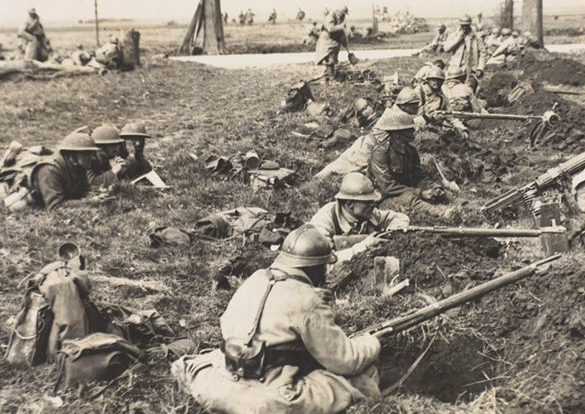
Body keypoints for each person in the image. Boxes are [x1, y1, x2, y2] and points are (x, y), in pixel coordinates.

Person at [172, 225, 381, 413]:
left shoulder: (256, 278)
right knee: (361, 378)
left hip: (219, 380)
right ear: (315, 267)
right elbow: (346, 361)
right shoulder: (309, 299)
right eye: (324, 266)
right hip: (265, 397)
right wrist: (372, 342)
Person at [0, 131, 97, 215]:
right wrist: (90, 202)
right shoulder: (50, 169)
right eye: (87, 153)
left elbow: (81, 192)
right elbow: (56, 206)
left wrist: (93, 198)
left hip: (9, 193)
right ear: (71, 154)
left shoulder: (78, 167)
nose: (92, 157)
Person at [367, 109, 457, 220]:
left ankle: (461, 204)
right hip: (385, 195)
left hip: (405, 188)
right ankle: (441, 214)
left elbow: (417, 176)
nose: (413, 131)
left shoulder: (410, 150)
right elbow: (387, 187)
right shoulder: (380, 154)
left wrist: (432, 187)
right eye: (408, 130)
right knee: (409, 199)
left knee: (437, 190)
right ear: (397, 134)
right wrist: (419, 193)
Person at [314, 88, 420, 180]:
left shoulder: (401, 113)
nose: (416, 108)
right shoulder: (395, 115)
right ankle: (316, 179)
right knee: (342, 165)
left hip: (378, 146)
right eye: (413, 106)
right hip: (368, 146)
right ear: (404, 105)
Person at [310, 173, 409, 254]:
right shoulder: (323, 223)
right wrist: (364, 246)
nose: (373, 204)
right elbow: (325, 263)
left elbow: (400, 218)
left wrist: (389, 234)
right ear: (349, 204)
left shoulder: (368, 213)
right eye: (367, 202)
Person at [443, 14, 487, 80]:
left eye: (466, 25)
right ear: (460, 24)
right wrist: (459, 37)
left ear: (470, 24)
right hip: (455, 67)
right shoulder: (454, 35)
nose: (465, 27)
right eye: (463, 25)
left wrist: (480, 68)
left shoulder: (476, 36)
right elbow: (446, 49)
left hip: (471, 68)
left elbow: (483, 53)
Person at [315, 5, 349, 79]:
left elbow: (342, 32)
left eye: (344, 14)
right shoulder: (330, 16)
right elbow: (330, 28)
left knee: (333, 59)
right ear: (338, 12)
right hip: (327, 41)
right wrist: (341, 27)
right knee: (330, 60)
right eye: (342, 13)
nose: (343, 15)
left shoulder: (342, 19)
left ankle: (330, 75)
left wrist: (345, 43)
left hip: (335, 42)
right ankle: (331, 78)